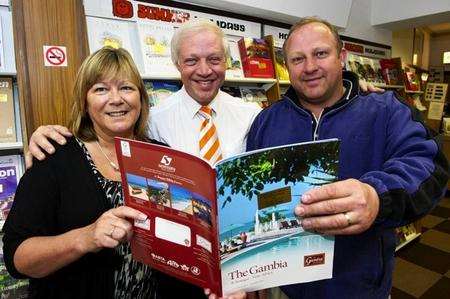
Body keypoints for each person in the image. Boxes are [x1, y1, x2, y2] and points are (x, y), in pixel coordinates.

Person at [246, 17, 449, 298]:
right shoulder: (266, 121)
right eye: (297, 59)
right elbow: (252, 197)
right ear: (287, 66)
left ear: (341, 57)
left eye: (320, 53)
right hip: (286, 286)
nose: (310, 67)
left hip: (359, 286)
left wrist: (377, 196)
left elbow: (427, 165)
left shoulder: (386, 110)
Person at [2, 47, 204, 298]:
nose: (116, 98)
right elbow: (17, 258)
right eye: (100, 89)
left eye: (126, 88)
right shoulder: (54, 157)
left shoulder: (163, 157)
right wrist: (86, 238)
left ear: (141, 98)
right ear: (85, 103)